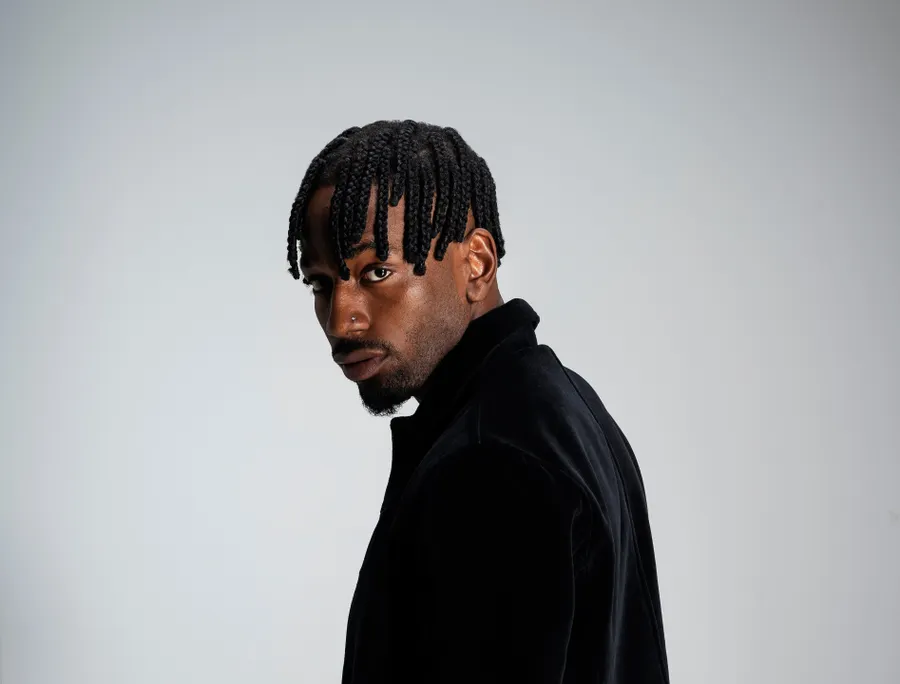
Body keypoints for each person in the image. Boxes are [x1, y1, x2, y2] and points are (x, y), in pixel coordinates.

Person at [286, 120, 670, 683]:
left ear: (478, 264)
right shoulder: (567, 407)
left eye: (377, 271)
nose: (342, 319)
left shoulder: (490, 459)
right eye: (322, 283)